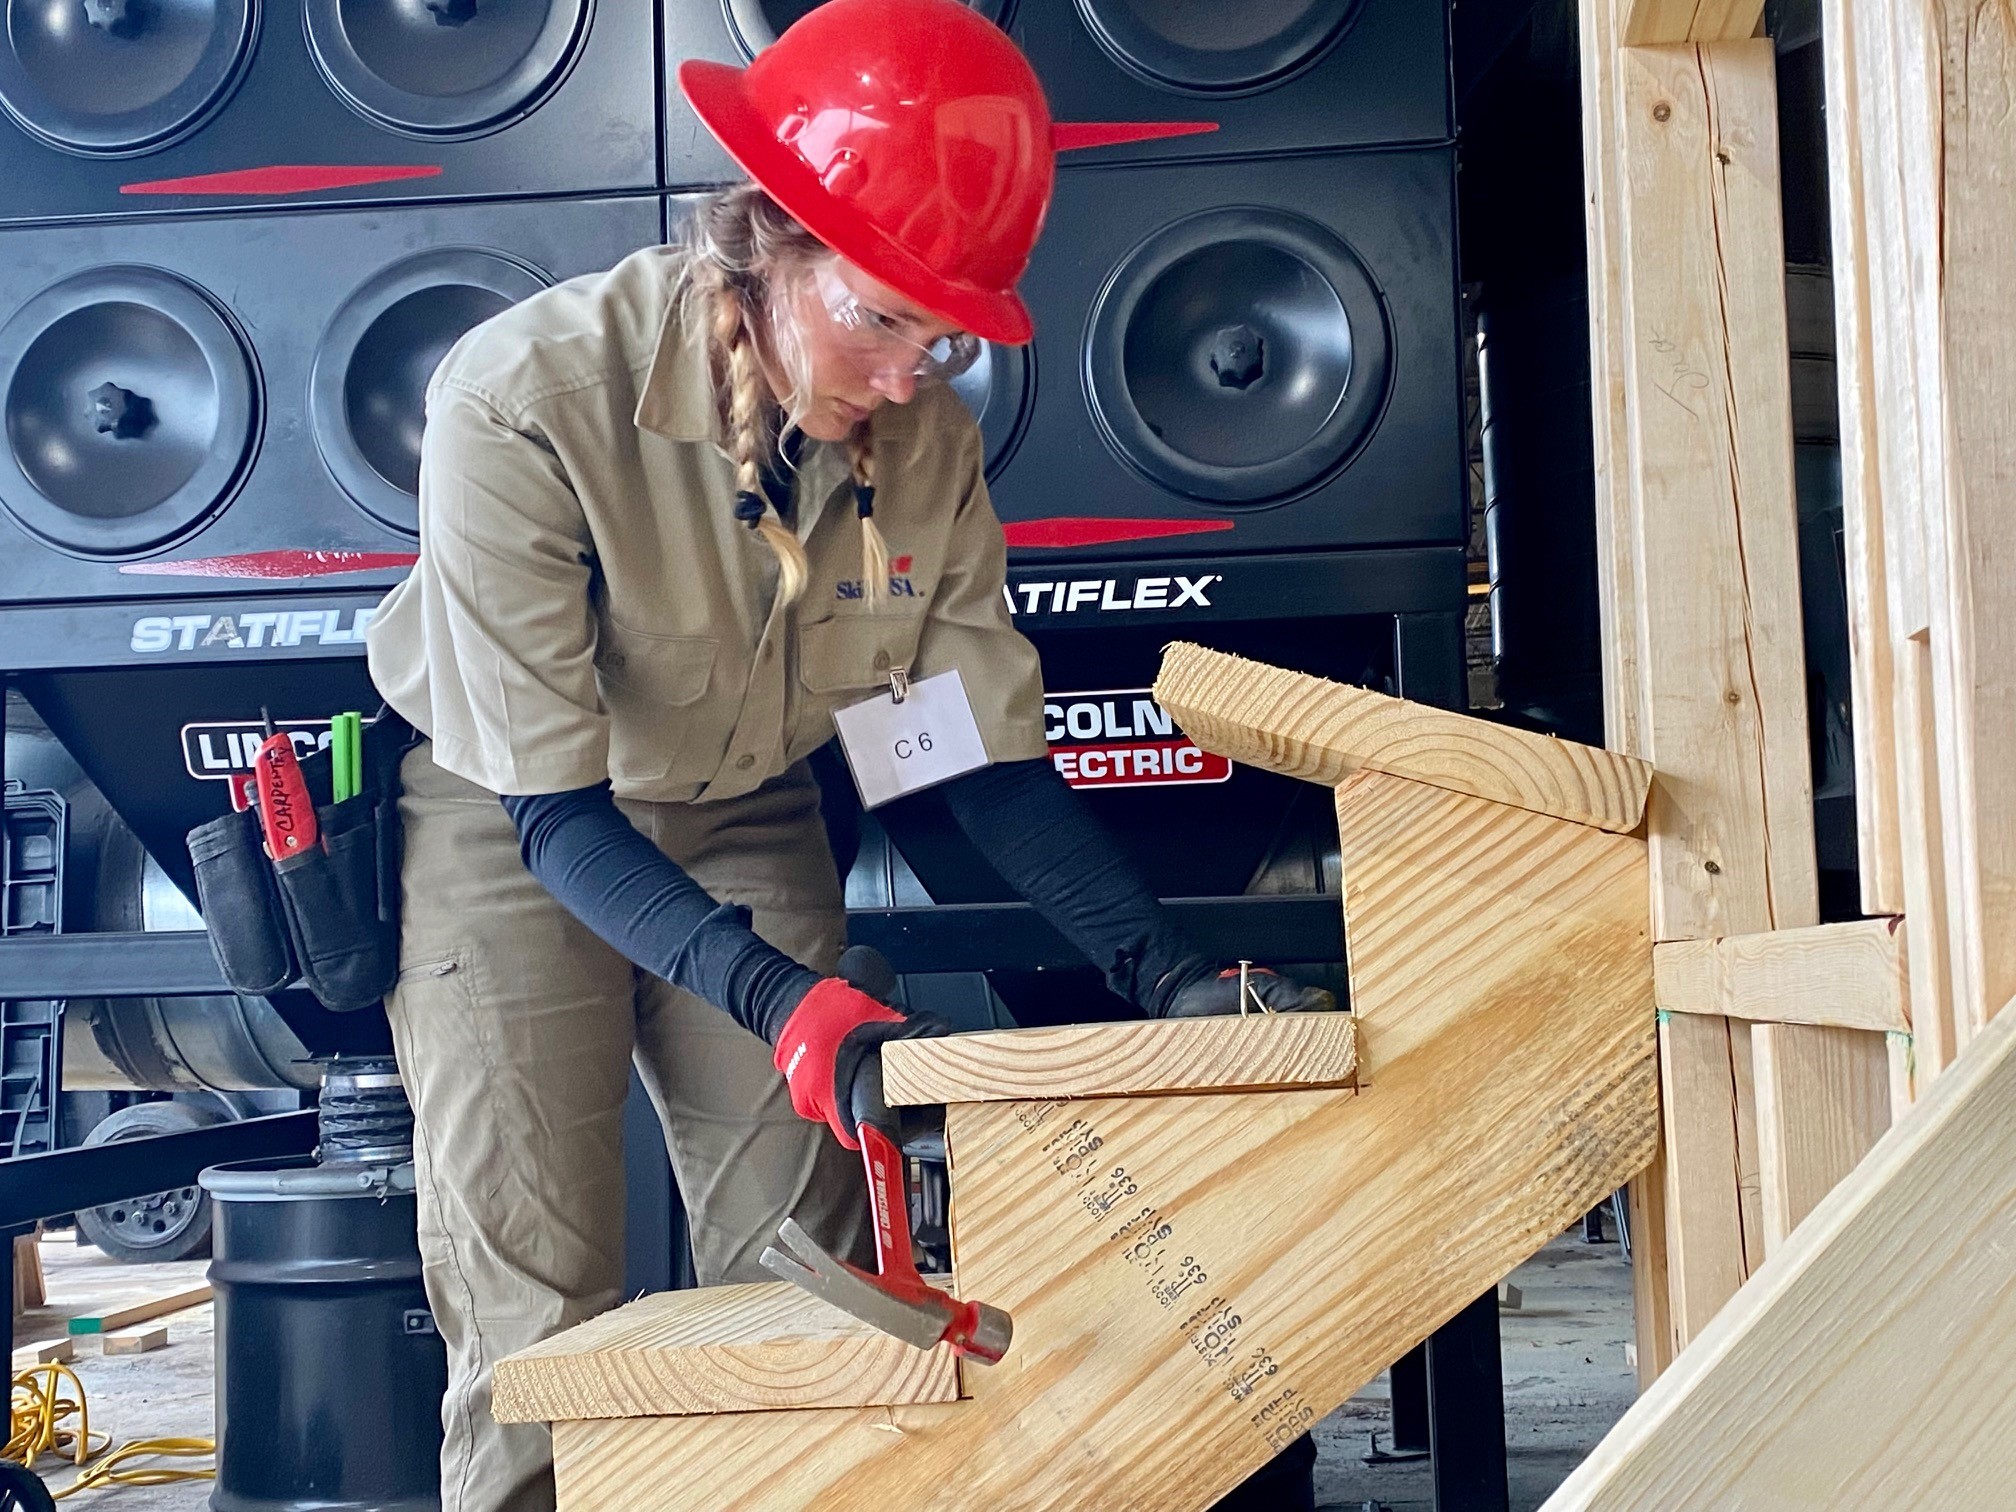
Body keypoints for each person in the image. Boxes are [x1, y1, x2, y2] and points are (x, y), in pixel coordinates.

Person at [365, 1, 1330, 1507]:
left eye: (939, 332)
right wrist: (778, 993)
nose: (906, 371)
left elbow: (954, 758)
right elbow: (552, 811)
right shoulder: (525, 399)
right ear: (760, 249)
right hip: (512, 829)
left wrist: (1168, 973)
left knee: (808, 1257)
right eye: (877, 316)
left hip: (746, 810)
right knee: (538, 1286)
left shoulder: (919, 441)